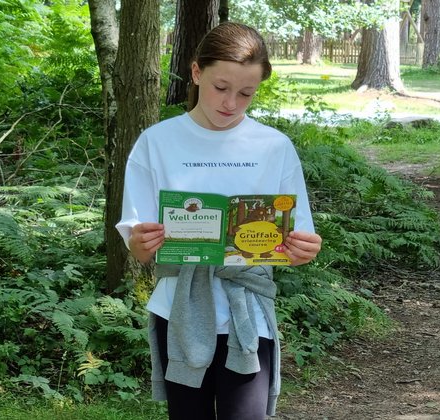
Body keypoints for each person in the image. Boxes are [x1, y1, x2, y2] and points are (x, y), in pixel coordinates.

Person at [115, 22, 323, 420]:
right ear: (196, 73)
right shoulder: (156, 142)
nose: (230, 102)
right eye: (220, 87)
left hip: (249, 311)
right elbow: (136, 234)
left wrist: (302, 250)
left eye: (246, 93)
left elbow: (300, 235)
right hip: (178, 308)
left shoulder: (274, 147)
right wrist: (139, 243)